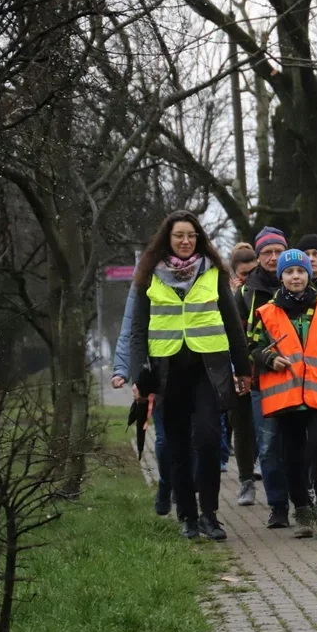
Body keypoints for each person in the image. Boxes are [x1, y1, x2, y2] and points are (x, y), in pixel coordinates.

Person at [129, 210, 252, 541]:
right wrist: (137, 375)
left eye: (191, 236)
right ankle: (187, 515)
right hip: (167, 373)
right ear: (167, 239)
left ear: (199, 239)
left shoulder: (213, 273)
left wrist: (243, 370)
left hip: (208, 371)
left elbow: (232, 324)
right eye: (179, 235)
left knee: (210, 440)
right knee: (177, 446)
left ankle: (210, 514)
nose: (185, 241)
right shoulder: (149, 275)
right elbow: (138, 328)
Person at [249, 249, 317, 539]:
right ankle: (302, 509)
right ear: (281, 277)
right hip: (287, 397)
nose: (295, 276)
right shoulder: (266, 313)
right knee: (292, 456)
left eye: (300, 271)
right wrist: (268, 359)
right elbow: (250, 348)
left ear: (309, 275)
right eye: (289, 272)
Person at [237, 226, 293, 528]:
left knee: (299, 442)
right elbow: (239, 337)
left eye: (278, 251)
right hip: (262, 380)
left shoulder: (298, 285)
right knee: (269, 444)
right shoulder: (247, 293)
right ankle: (277, 505)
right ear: (258, 257)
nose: (273, 258)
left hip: (299, 380)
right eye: (267, 253)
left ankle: (305, 496)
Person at [113, 282, 177, 517]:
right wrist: (122, 369)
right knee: (163, 438)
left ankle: (183, 484)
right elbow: (130, 328)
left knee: (193, 436)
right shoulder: (143, 282)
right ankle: (165, 484)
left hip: (190, 369)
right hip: (156, 371)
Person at [228, 242, 261, 505]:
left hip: (260, 368)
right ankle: (246, 481)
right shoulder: (227, 295)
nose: (249, 278)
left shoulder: (262, 291)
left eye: (253, 271)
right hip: (235, 369)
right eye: (243, 274)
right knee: (241, 426)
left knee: (263, 426)